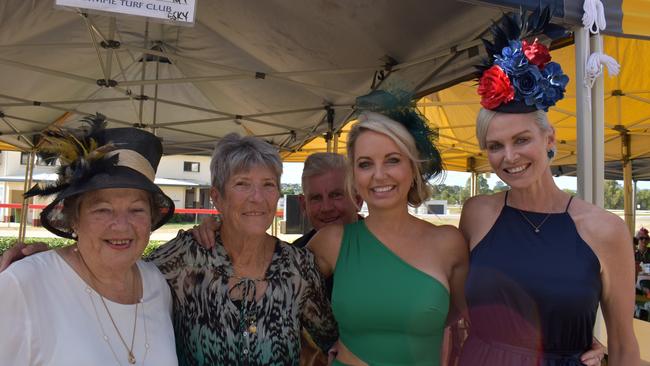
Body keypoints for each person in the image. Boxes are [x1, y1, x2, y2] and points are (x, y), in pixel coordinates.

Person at [458, 9, 639, 365]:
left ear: (549, 139)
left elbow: (623, 344)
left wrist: (591, 345)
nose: (509, 157)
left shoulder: (605, 230)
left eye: (521, 139)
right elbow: (453, 307)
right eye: (495, 146)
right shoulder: (476, 213)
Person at [146, 133, 338, 365]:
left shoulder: (298, 267)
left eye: (268, 184)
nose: (257, 198)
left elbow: (333, 342)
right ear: (217, 197)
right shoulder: (184, 258)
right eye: (242, 184)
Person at [0, 116, 178, 365]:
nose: (121, 225)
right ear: (74, 218)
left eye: (136, 210)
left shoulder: (156, 284)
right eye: (102, 209)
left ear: (151, 217)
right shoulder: (25, 285)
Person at [308, 93, 469, 365]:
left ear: (413, 167)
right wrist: (215, 232)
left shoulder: (449, 243)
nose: (379, 175)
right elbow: (273, 281)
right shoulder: (333, 241)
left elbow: (460, 316)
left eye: (392, 160)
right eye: (365, 164)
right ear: (354, 175)